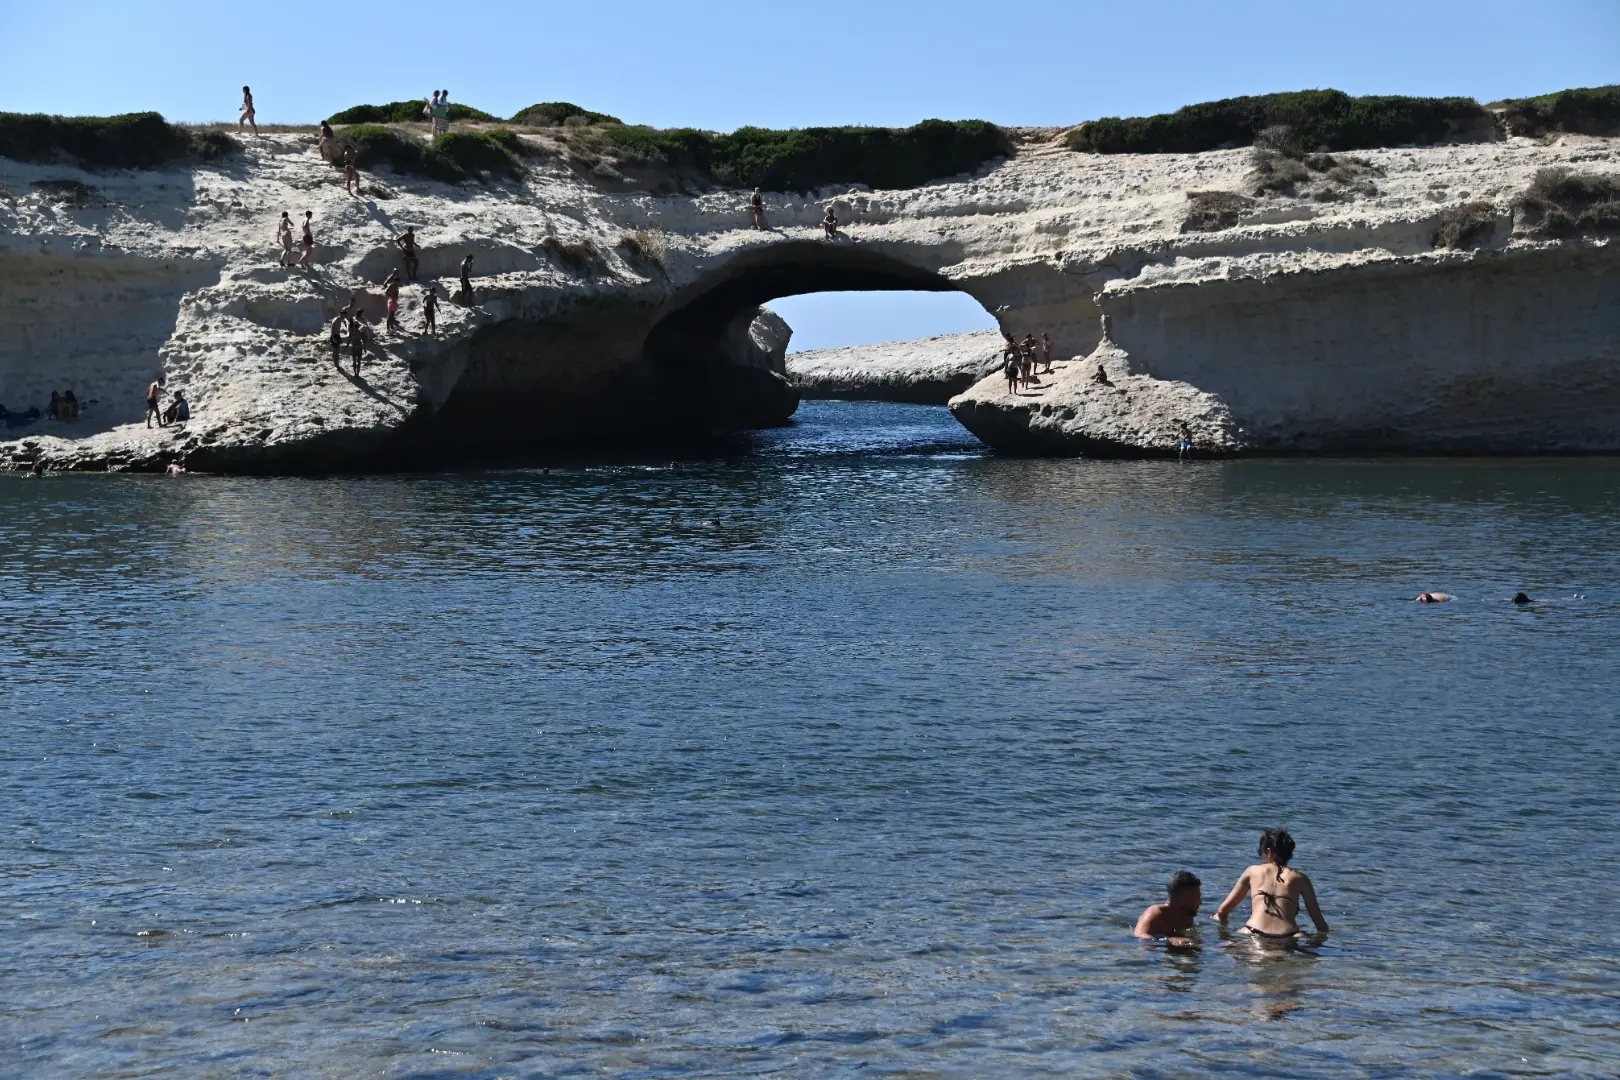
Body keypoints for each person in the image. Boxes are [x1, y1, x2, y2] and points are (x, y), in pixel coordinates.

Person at [1213, 828, 1330, 939]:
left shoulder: (1252, 871)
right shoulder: (1301, 879)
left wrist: (1223, 929)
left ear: (1268, 852)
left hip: (1253, 932)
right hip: (1289, 935)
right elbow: (1320, 925)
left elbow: (1223, 911)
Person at [1134, 871, 1203, 945]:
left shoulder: (1187, 916)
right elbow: (1139, 935)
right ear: (1183, 898)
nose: (1200, 902)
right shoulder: (1155, 913)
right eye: (1196, 898)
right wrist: (1169, 940)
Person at [348, 310, 367, 376]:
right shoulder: (360, 329)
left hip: (354, 345)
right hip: (359, 345)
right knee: (358, 361)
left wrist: (348, 344)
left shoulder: (352, 329)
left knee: (354, 361)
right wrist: (365, 347)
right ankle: (357, 374)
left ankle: (355, 374)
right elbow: (364, 339)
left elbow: (350, 337)